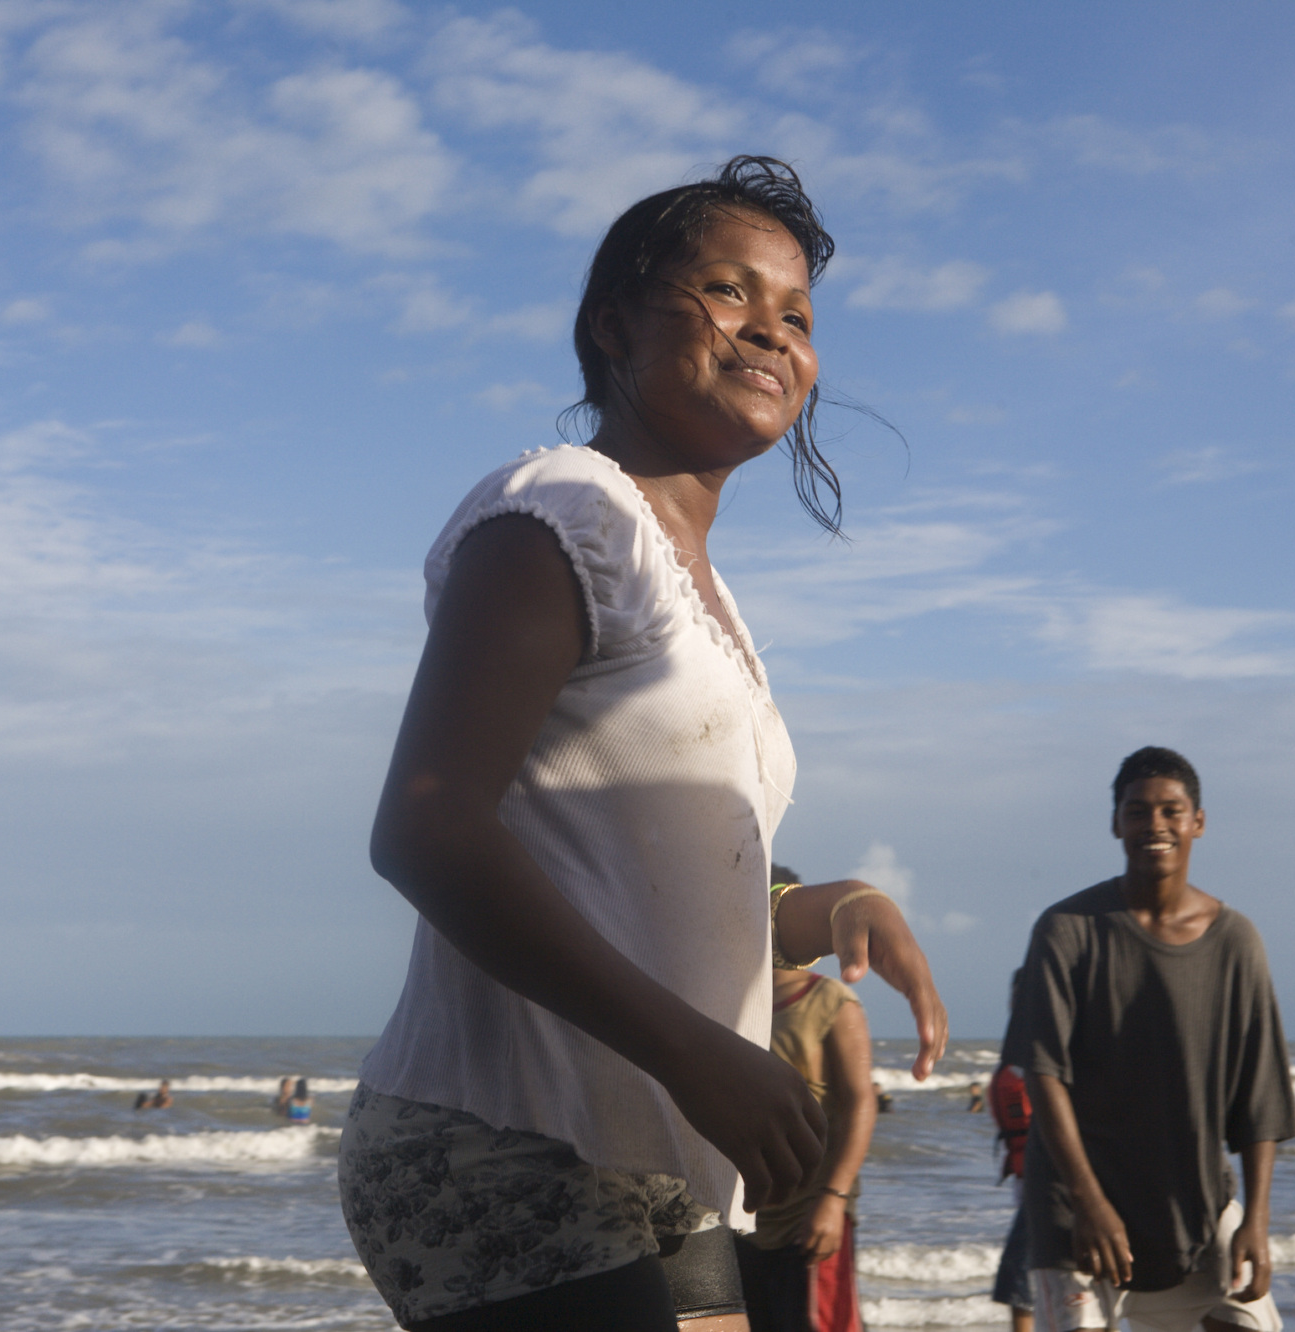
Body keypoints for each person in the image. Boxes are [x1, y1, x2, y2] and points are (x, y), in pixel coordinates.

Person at [337, 157, 949, 1332]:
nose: (770, 332)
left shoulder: (710, 597)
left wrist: (834, 905)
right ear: (613, 321)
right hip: (498, 1134)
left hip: (659, 1153)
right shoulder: (566, 507)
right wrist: (699, 1056)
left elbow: (643, 887)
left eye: (799, 318)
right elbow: (427, 828)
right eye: (727, 292)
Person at [1006, 746, 1295, 1332]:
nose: (1155, 826)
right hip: (1075, 1206)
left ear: (1198, 822)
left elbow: (1260, 1096)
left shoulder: (1235, 940)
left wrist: (1257, 1219)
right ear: (1116, 823)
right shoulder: (1068, 931)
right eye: (1138, 812)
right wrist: (1089, 1203)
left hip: (1194, 1199)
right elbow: (1044, 1073)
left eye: (1171, 811)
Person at [735, 867, 877, 1332]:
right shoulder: (733, 1005)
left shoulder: (830, 1001)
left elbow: (860, 1103)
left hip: (809, 1215)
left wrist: (833, 1199)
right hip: (745, 1220)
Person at [989, 969, 1034, 1332]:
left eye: (1025, 996)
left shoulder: (1041, 1051)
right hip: (1028, 1182)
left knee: (1018, 1288)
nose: (1017, 1004)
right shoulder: (1015, 1048)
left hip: (1049, 1186)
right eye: (1015, 995)